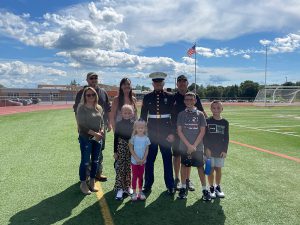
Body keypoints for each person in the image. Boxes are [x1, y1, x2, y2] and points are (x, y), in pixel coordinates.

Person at [140, 72, 175, 195]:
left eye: (160, 82)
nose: (158, 84)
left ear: (163, 83)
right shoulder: (147, 97)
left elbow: (174, 117)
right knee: (149, 160)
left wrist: (172, 133)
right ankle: (147, 185)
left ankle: (170, 185)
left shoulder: (170, 96)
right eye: (156, 82)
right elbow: (143, 117)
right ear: (153, 83)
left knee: (167, 160)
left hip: (166, 133)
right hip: (151, 133)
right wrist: (142, 133)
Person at [73, 72, 111, 182]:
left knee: (99, 150)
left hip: (100, 127)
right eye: (91, 78)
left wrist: (108, 123)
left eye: (96, 78)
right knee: (87, 152)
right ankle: (86, 175)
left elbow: (107, 108)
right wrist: (79, 125)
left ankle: (98, 172)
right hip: (87, 129)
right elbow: (76, 110)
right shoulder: (81, 92)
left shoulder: (103, 92)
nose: (94, 80)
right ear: (87, 80)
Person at [172, 75, 207, 192]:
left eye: (184, 81)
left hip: (192, 134)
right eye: (180, 81)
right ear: (177, 84)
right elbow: (170, 115)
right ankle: (177, 178)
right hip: (177, 132)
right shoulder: (173, 97)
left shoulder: (194, 96)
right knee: (177, 156)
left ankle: (187, 179)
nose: (182, 83)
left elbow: (202, 112)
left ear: (187, 83)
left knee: (190, 155)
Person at [177, 92, 211, 201]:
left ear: (195, 101)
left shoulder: (200, 114)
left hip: (198, 147)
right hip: (184, 146)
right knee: (184, 166)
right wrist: (188, 145)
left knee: (200, 167)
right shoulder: (181, 114)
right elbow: (179, 131)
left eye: (191, 99)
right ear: (184, 101)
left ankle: (204, 189)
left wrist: (194, 146)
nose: (189, 101)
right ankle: (183, 188)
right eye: (187, 99)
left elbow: (202, 131)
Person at [76, 87, 105, 195]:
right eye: (88, 95)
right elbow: (82, 126)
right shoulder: (81, 108)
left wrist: (101, 131)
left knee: (95, 161)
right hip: (86, 138)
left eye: (93, 95)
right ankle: (83, 183)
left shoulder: (99, 108)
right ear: (84, 96)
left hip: (97, 138)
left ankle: (92, 180)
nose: (91, 97)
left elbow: (102, 122)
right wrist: (95, 134)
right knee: (85, 161)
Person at [204, 100, 229, 198]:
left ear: (222, 109)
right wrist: (206, 148)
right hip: (209, 151)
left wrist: (224, 150)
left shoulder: (225, 122)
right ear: (210, 109)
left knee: (218, 169)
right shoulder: (207, 121)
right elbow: (204, 137)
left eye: (218, 108)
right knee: (210, 169)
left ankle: (217, 186)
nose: (216, 110)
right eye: (214, 108)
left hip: (220, 151)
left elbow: (226, 137)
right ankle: (211, 187)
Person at [113, 104, 135, 200]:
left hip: (130, 147)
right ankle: (120, 188)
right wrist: (115, 152)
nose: (127, 114)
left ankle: (127, 186)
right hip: (121, 146)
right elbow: (116, 138)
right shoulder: (118, 124)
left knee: (128, 167)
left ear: (132, 114)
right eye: (125, 112)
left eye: (129, 113)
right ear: (121, 114)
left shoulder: (134, 124)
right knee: (121, 167)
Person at [129, 120, 150, 201]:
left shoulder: (146, 138)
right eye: (138, 127)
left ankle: (140, 192)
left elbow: (147, 150)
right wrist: (137, 159)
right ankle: (134, 193)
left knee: (141, 176)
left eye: (142, 127)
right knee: (134, 176)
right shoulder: (133, 138)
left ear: (145, 128)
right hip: (134, 161)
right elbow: (131, 149)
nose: (140, 129)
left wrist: (143, 159)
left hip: (142, 162)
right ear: (135, 128)